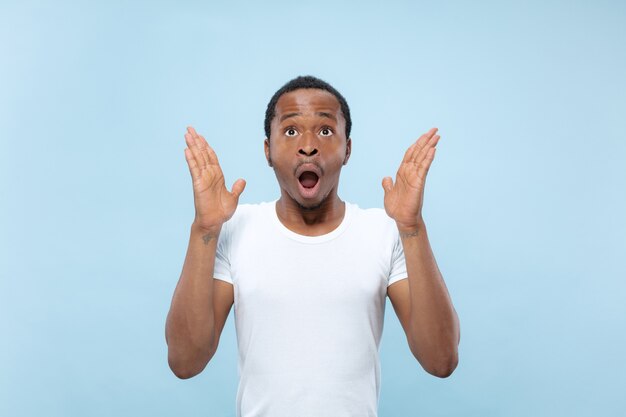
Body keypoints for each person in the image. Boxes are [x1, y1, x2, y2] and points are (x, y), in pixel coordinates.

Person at [165, 75, 460, 417]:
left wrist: (412, 228)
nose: (308, 145)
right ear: (268, 151)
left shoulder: (384, 231)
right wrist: (204, 229)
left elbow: (441, 360)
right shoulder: (234, 230)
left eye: (325, 131)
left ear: (347, 149)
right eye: (290, 131)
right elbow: (185, 361)